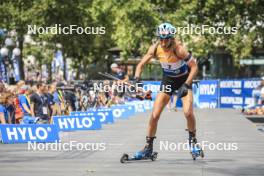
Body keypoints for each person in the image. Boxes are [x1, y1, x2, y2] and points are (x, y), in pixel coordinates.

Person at [133, 23, 199, 157]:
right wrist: (137, 80)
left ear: (171, 38)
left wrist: (186, 84)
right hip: (168, 81)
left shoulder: (179, 49)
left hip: (183, 80)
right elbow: (140, 65)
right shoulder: (155, 48)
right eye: (160, 39)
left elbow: (194, 67)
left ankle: (193, 141)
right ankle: (148, 148)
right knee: (155, 115)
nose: (163, 42)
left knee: (188, 113)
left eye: (166, 39)